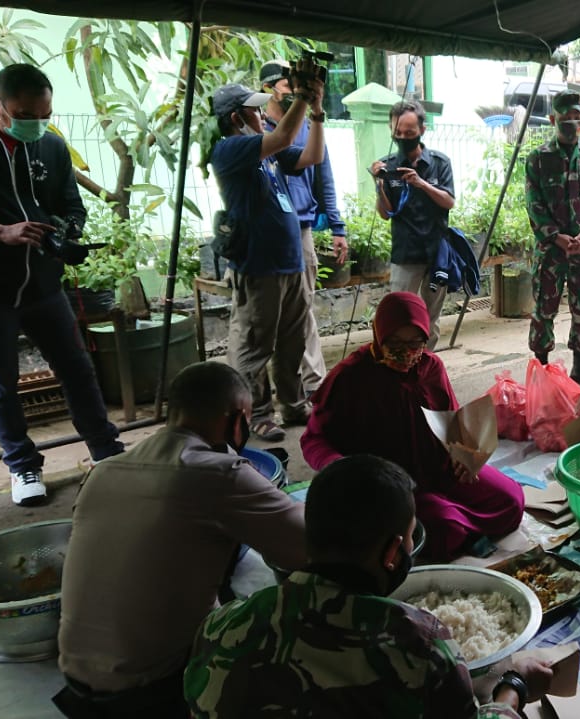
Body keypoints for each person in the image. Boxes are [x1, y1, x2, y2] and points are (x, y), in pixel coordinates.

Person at [185, 454, 552, 718]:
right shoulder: (418, 644)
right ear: (393, 552)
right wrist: (512, 689)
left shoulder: (222, 626)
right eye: (409, 539)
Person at [55, 361, 306, 718]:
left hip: (77, 682)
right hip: (154, 691)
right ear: (237, 419)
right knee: (298, 635)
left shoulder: (105, 471)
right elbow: (310, 549)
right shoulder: (219, 473)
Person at [0, 63, 124, 505]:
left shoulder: (51, 147)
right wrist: (1, 231)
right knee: (0, 382)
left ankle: (106, 451)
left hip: (42, 286)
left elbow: (72, 206)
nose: (36, 124)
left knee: (77, 369)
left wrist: (62, 231)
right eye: (26, 115)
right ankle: (23, 467)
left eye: (44, 115)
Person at [300, 292, 524, 561]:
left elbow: (451, 425)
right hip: (393, 488)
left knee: (511, 500)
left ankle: (460, 522)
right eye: (394, 343)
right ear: (378, 335)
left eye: (415, 343)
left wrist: (464, 456)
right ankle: (457, 523)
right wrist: (344, 470)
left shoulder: (431, 367)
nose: (406, 354)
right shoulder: (350, 377)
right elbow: (314, 439)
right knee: (442, 529)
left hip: (439, 469)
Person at [210, 64, 327, 442]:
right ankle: (257, 413)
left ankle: (292, 404)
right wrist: (303, 98)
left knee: (292, 340)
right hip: (259, 266)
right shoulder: (230, 150)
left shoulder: (269, 154)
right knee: (255, 344)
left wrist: (318, 114)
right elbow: (283, 138)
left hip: (289, 263)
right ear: (235, 118)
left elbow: (311, 157)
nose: (262, 115)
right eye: (254, 110)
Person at [260, 60, 347, 395]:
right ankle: (285, 389)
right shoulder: (260, 130)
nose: (297, 90)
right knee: (272, 314)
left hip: (301, 230)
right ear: (270, 88)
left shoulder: (310, 128)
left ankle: (313, 385)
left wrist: (337, 227)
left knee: (302, 309)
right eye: (290, 84)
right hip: (268, 232)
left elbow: (323, 174)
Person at [525, 91, 580, 388]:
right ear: (552, 119)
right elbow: (533, 203)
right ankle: (541, 371)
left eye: (577, 117)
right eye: (565, 119)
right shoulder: (538, 158)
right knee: (543, 311)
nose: (572, 123)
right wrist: (557, 237)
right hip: (550, 251)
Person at [371, 100, 456, 349]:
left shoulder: (440, 163)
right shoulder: (388, 165)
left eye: (409, 133)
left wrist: (421, 183)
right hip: (405, 254)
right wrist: (379, 185)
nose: (403, 137)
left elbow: (449, 201)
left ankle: (425, 367)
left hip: (436, 253)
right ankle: (399, 367)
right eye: (398, 133)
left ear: (422, 130)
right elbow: (386, 214)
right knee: (400, 316)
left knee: (430, 319)